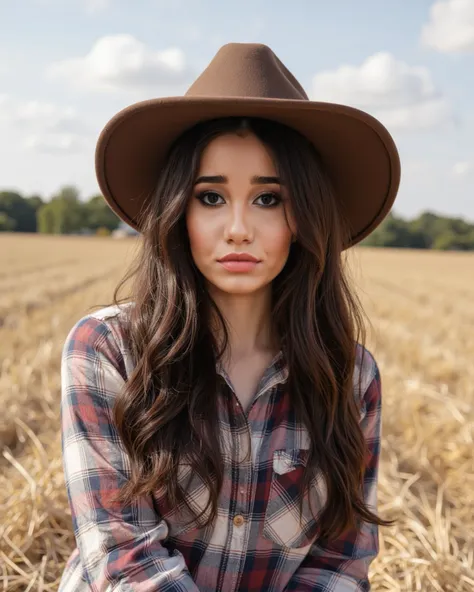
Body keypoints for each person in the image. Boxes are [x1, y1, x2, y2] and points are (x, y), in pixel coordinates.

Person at [59, 43, 400, 591]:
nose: (238, 228)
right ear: (177, 212)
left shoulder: (351, 377)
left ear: (304, 217)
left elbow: (339, 563)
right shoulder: (106, 348)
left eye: (268, 199)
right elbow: (123, 561)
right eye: (211, 198)